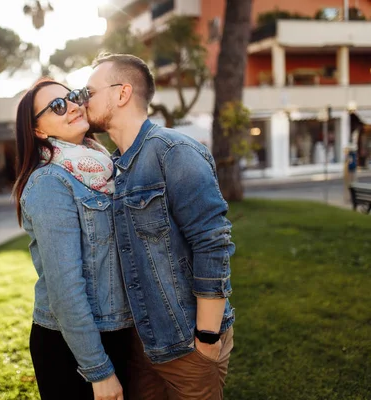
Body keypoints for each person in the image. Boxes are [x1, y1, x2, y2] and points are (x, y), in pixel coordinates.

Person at [84, 53, 236, 400]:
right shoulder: (116, 167)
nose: (83, 100)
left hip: (187, 342)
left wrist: (207, 340)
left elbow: (213, 243)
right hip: (142, 344)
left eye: (90, 91)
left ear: (122, 93)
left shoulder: (173, 152)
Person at [13, 78, 134, 400]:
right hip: (73, 346)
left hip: (115, 330)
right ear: (38, 130)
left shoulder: (104, 168)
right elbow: (65, 288)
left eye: (73, 97)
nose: (73, 106)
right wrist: (98, 370)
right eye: (57, 106)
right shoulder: (49, 182)